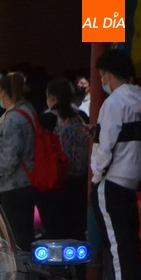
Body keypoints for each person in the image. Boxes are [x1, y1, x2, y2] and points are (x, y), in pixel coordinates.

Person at [89, 49, 141, 280]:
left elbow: (105, 145)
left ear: (109, 75)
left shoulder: (113, 104)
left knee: (117, 242)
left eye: (103, 76)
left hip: (112, 179)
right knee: (130, 240)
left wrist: (95, 176)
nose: (103, 81)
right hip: (134, 177)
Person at [0, 71, 36, 251]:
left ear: (4, 93)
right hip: (26, 182)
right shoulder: (28, 110)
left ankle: (19, 266)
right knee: (24, 233)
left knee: (15, 236)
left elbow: (8, 157)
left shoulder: (14, 118)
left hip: (13, 186)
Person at [34, 77, 90, 242]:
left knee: (56, 232)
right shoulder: (81, 116)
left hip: (56, 181)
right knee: (76, 230)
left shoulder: (46, 119)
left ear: (51, 97)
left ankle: (58, 259)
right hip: (80, 179)